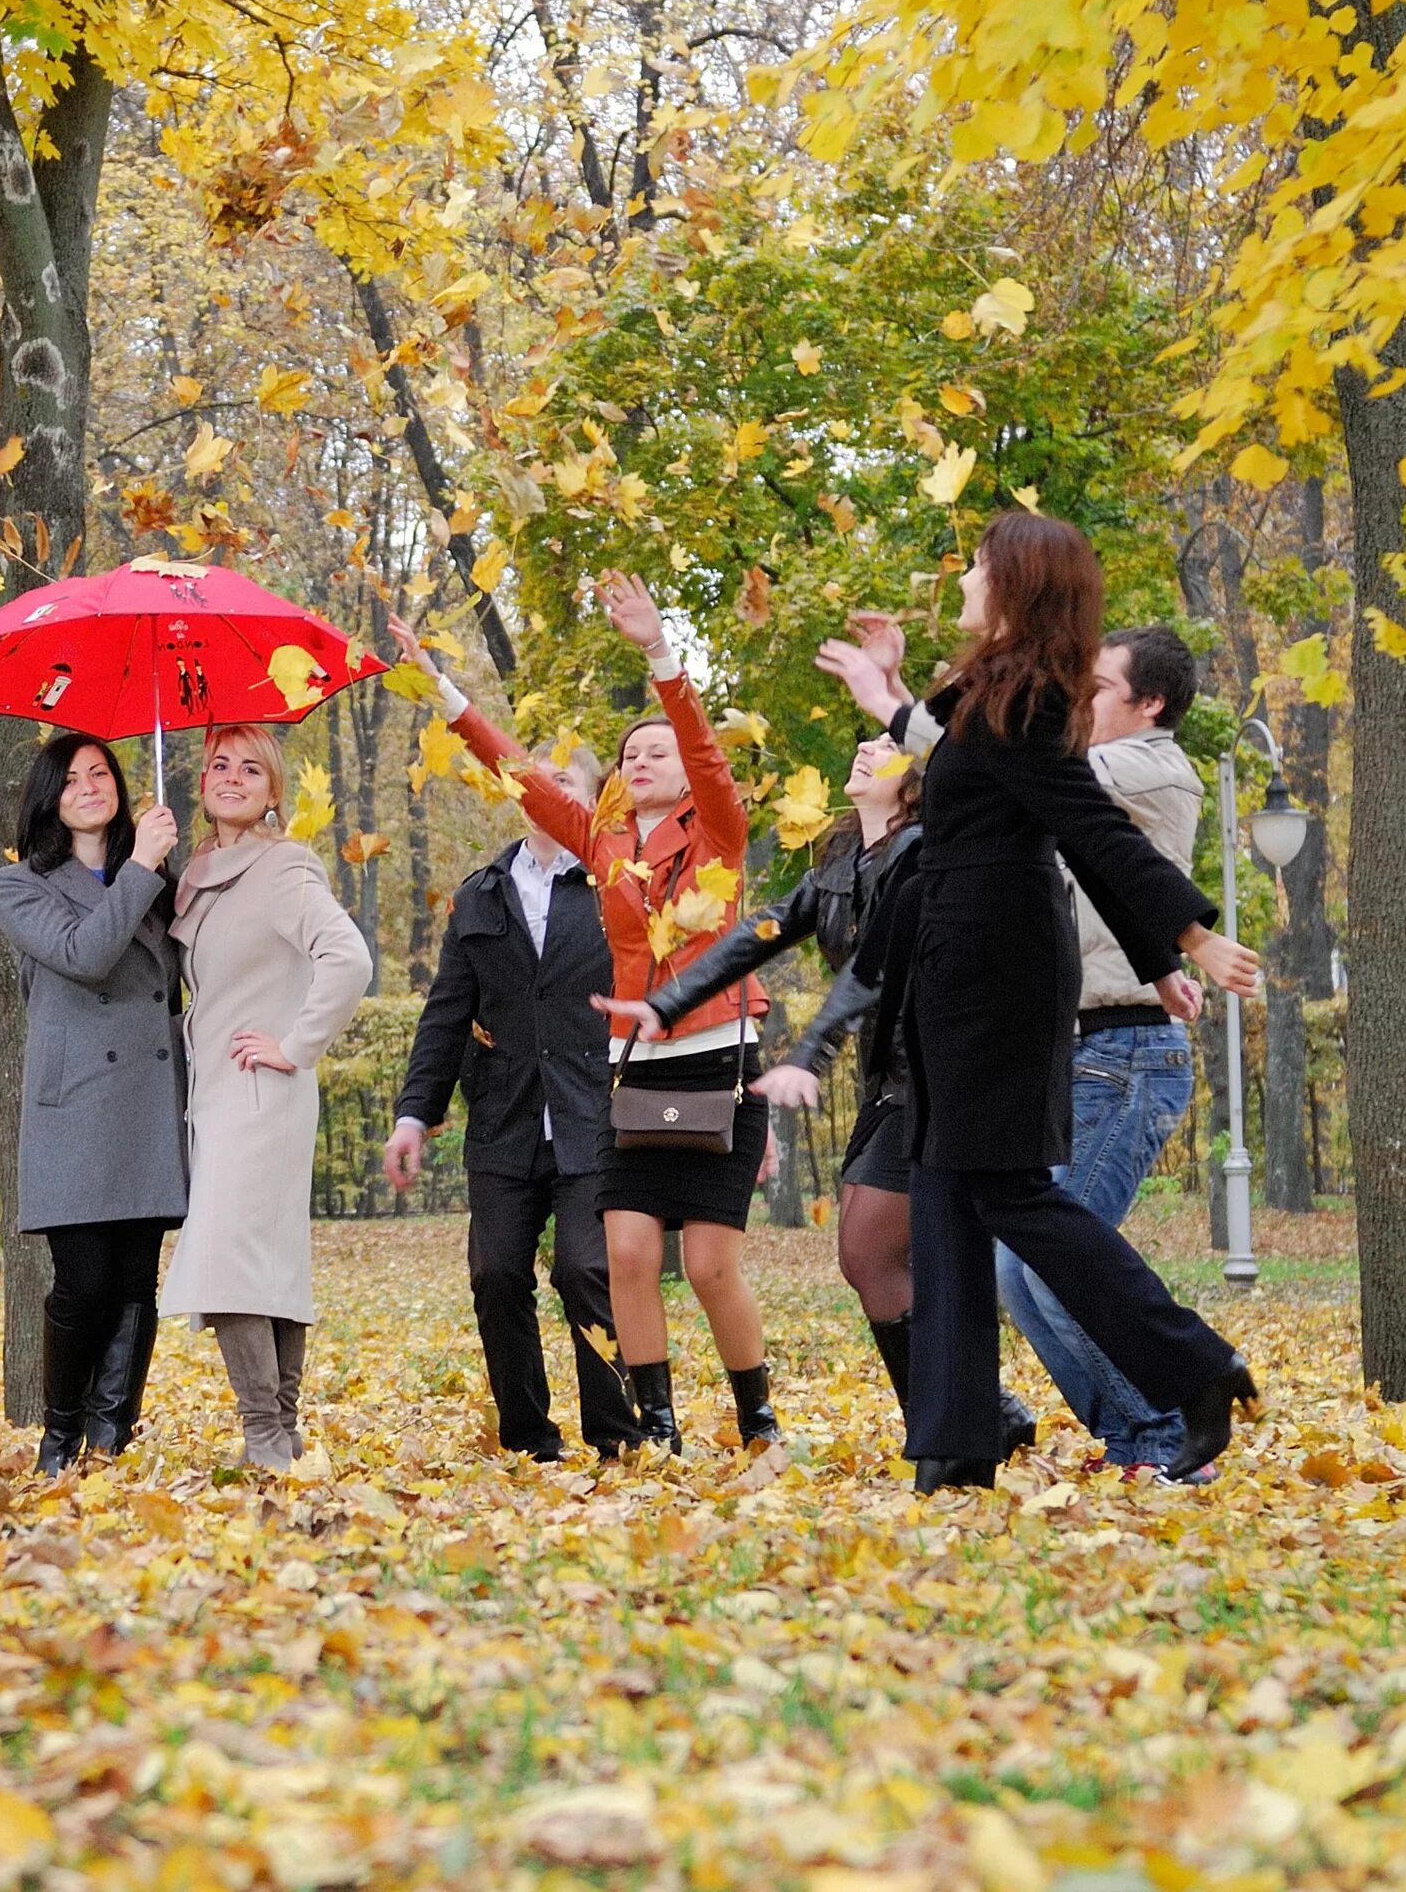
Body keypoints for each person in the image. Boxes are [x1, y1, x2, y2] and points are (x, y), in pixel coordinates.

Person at [837, 512, 1261, 1493]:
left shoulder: (1028, 700)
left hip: (995, 980)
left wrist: (1188, 933)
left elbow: (1089, 828)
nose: (966, 575)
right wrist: (893, 693)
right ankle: (952, 1446)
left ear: (1018, 582)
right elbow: (1004, 800)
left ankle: (1194, 1366)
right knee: (945, 1205)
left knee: (1006, 1193)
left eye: (980, 563)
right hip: (958, 980)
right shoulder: (994, 689)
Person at [393, 572, 778, 1457]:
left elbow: (705, 752)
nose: (641, 759)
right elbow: (518, 775)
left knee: (711, 1265)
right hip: (630, 1074)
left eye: (657, 752)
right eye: (629, 753)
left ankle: (757, 1419)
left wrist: (656, 652)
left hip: (719, 1057)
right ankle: (658, 1430)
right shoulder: (602, 848)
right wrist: (442, 688)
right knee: (627, 1259)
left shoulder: (716, 831)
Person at [619, 737, 1035, 1452]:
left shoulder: (930, 855)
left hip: (952, 1074)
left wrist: (812, 1054)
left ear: (918, 781)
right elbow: (762, 930)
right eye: (865, 742)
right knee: (874, 1256)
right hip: (890, 1081)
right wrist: (669, 1000)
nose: (868, 749)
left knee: (876, 1247)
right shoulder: (843, 867)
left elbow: (874, 973)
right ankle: (966, 1415)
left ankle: (962, 1417)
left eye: (889, 747)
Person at [385, 750, 643, 1462]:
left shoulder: (616, 885)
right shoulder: (481, 894)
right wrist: (415, 1114)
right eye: (539, 774)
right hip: (505, 1120)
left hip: (597, 1115)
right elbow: (445, 1014)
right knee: (496, 1274)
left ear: (597, 799)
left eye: (567, 779)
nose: (549, 787)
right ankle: (532, 1439)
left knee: (587, 1271)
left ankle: (618, 1435)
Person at [158, 726, 373, 1473]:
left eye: (252, 769)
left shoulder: (284, 868)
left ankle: (264, 1436)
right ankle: (283, 1435)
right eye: (220, 764)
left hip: (262, 1091)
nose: (232, 777)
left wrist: (295, 1044)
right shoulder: (199, 870)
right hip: (217, 1097)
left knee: (225, 1260)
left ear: (274, 791)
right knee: (266, 1264)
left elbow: (347, 958)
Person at [0, 733, 191, 1472]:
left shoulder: (164, 879)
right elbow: (84, 955)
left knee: (138, 1280)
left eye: (101, 772)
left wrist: (161, 872)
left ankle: (111, 1439)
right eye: (71, 778)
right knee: (83, 1282)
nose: (89, 786)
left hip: (144, 1095)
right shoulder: (18, 886)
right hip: (73, 1104)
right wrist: (140, 870)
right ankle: (59, 1436)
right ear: (49, 797)